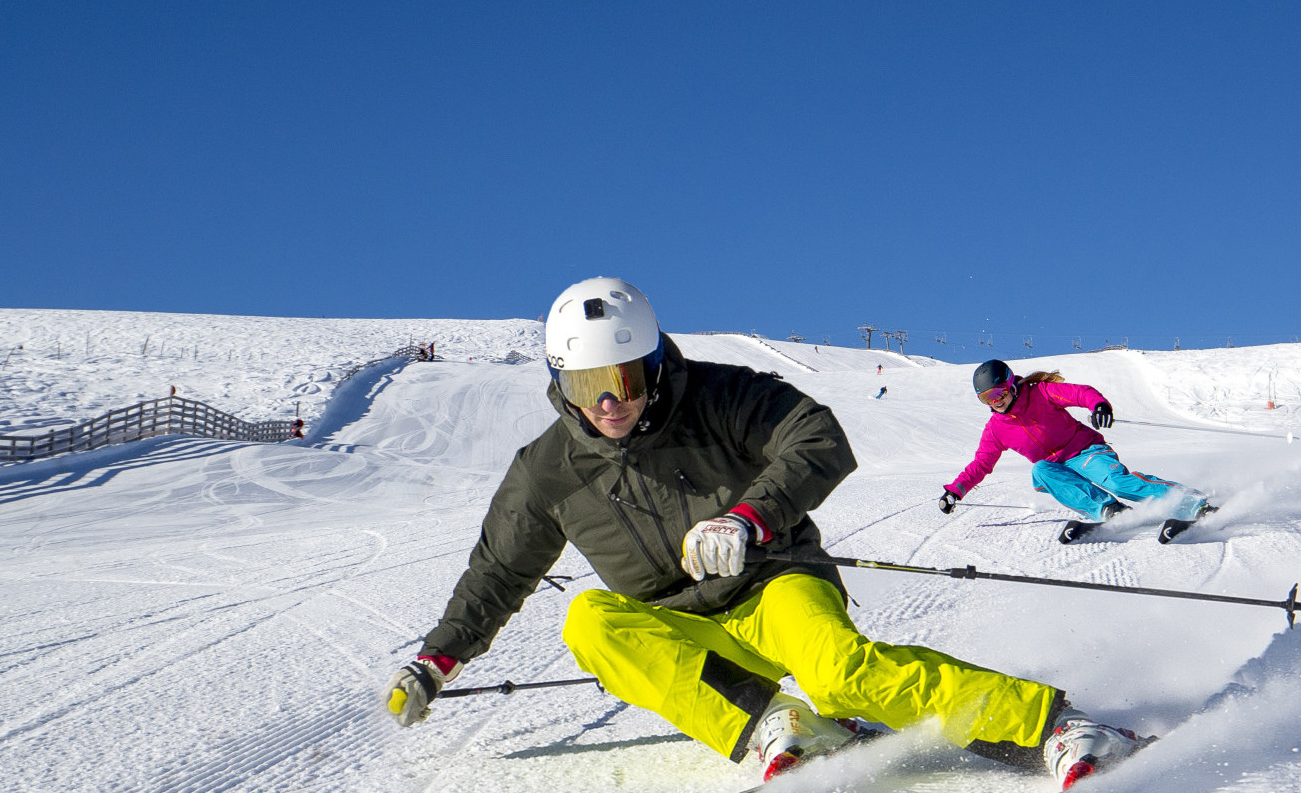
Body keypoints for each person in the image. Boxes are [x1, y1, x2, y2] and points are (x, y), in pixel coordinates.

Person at [383, 278, 1142, 789]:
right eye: (589, 387)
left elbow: (818, 438)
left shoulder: (714, 396)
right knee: (588, 620)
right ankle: (780, 726)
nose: (612, 403)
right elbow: (497, 571)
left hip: (772, 579)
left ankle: (1054, 724)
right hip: (680, 623)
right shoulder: (546, 469)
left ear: (653, 364)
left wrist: (749, 517)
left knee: (843, 671)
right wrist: (435, 661)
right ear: (560, 382)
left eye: (628, 380)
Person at [939, 360, 1212, 531]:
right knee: (1041, 470)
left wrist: (1098, 405)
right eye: (985, 398)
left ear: (1010, 385)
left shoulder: (1041, 393)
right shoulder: (996, 429)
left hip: (1086, 452)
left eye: (997, 392)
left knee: (1119, 483)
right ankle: (1108, 510)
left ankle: (1192, 503)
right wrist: (955, 491)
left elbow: (1080, 393)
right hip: (1059, 468)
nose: (994, 401)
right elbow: (981, 464)